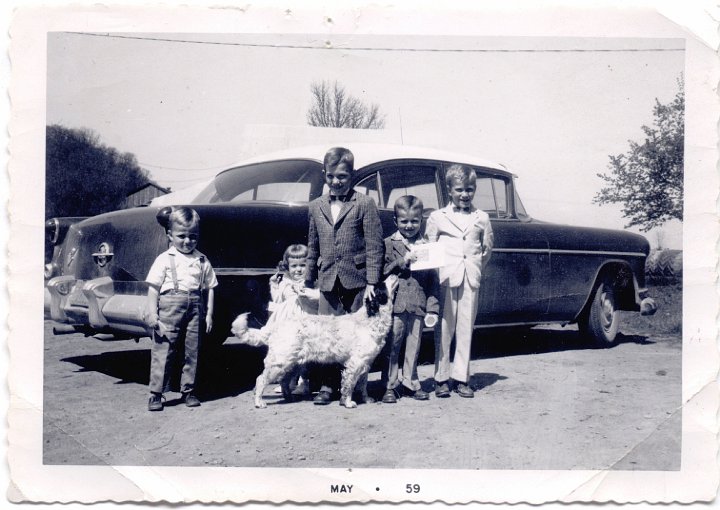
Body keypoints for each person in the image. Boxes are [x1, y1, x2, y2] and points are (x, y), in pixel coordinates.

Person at [305, 146, 385, 405]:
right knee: (329, 336)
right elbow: (313, 245)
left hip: (358, 281)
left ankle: (359, 388)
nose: (336, 182)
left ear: (352, 175)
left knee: (358, 339)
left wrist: (372, 281)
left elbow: (375, 245)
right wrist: (307, 278)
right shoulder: (316, 206)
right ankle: (328, 386)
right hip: (328, 280)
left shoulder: (364, 203)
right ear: (324, 175)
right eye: (330, 176)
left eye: (342, 177)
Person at [425, 165, 493, 398]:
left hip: (470, 279)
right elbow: (431, 248)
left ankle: (461, 377)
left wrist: (473, 269)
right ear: (449, 190)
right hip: (446, 278)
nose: (465, 194)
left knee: (466, 329)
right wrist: (441, 272)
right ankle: (441, 378)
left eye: (470, 190)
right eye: (459, 190)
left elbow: (486, 250)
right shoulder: (437, 217)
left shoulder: (482, 218)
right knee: (444, 329)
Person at [144, 206, 218, 411]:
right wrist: (152, 314)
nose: (187, 241)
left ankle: (188, 390)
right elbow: (153, 289)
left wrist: (209, 313)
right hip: (169, 307)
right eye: (181, 236)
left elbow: (210, 287)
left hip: (195, 308)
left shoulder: (201, 260)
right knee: (163, 349)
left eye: (193, 236)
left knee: (192, 350)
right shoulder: (164, 259)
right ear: (170, 235)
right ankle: (156, 393)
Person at [380, 195, 440, 403]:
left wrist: (432, 308)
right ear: (396, 221)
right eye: (404, 221)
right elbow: (382, 270)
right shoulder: (388, 243)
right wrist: (403, 260)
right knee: (393, 345)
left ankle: (411, 382)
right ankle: (389, 385)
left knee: (414, 345)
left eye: (414, 221)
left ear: (421, 220)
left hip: (418, 305)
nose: (409, 225)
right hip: (395, 305)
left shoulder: (427, 247)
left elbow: (433, 280)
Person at [266, 244, 319, 395]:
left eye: (303, 265)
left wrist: (307, 292)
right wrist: (274, 286)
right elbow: (278, 301)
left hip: (305, 321)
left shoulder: (310, 282)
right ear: (287, 266)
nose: (298, 270)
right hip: (289, 323)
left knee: (305, 356)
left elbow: (316, 300)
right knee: (290, 353)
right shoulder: (285, 282)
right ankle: (289, 381)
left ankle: (305, 382)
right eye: (294, 266)